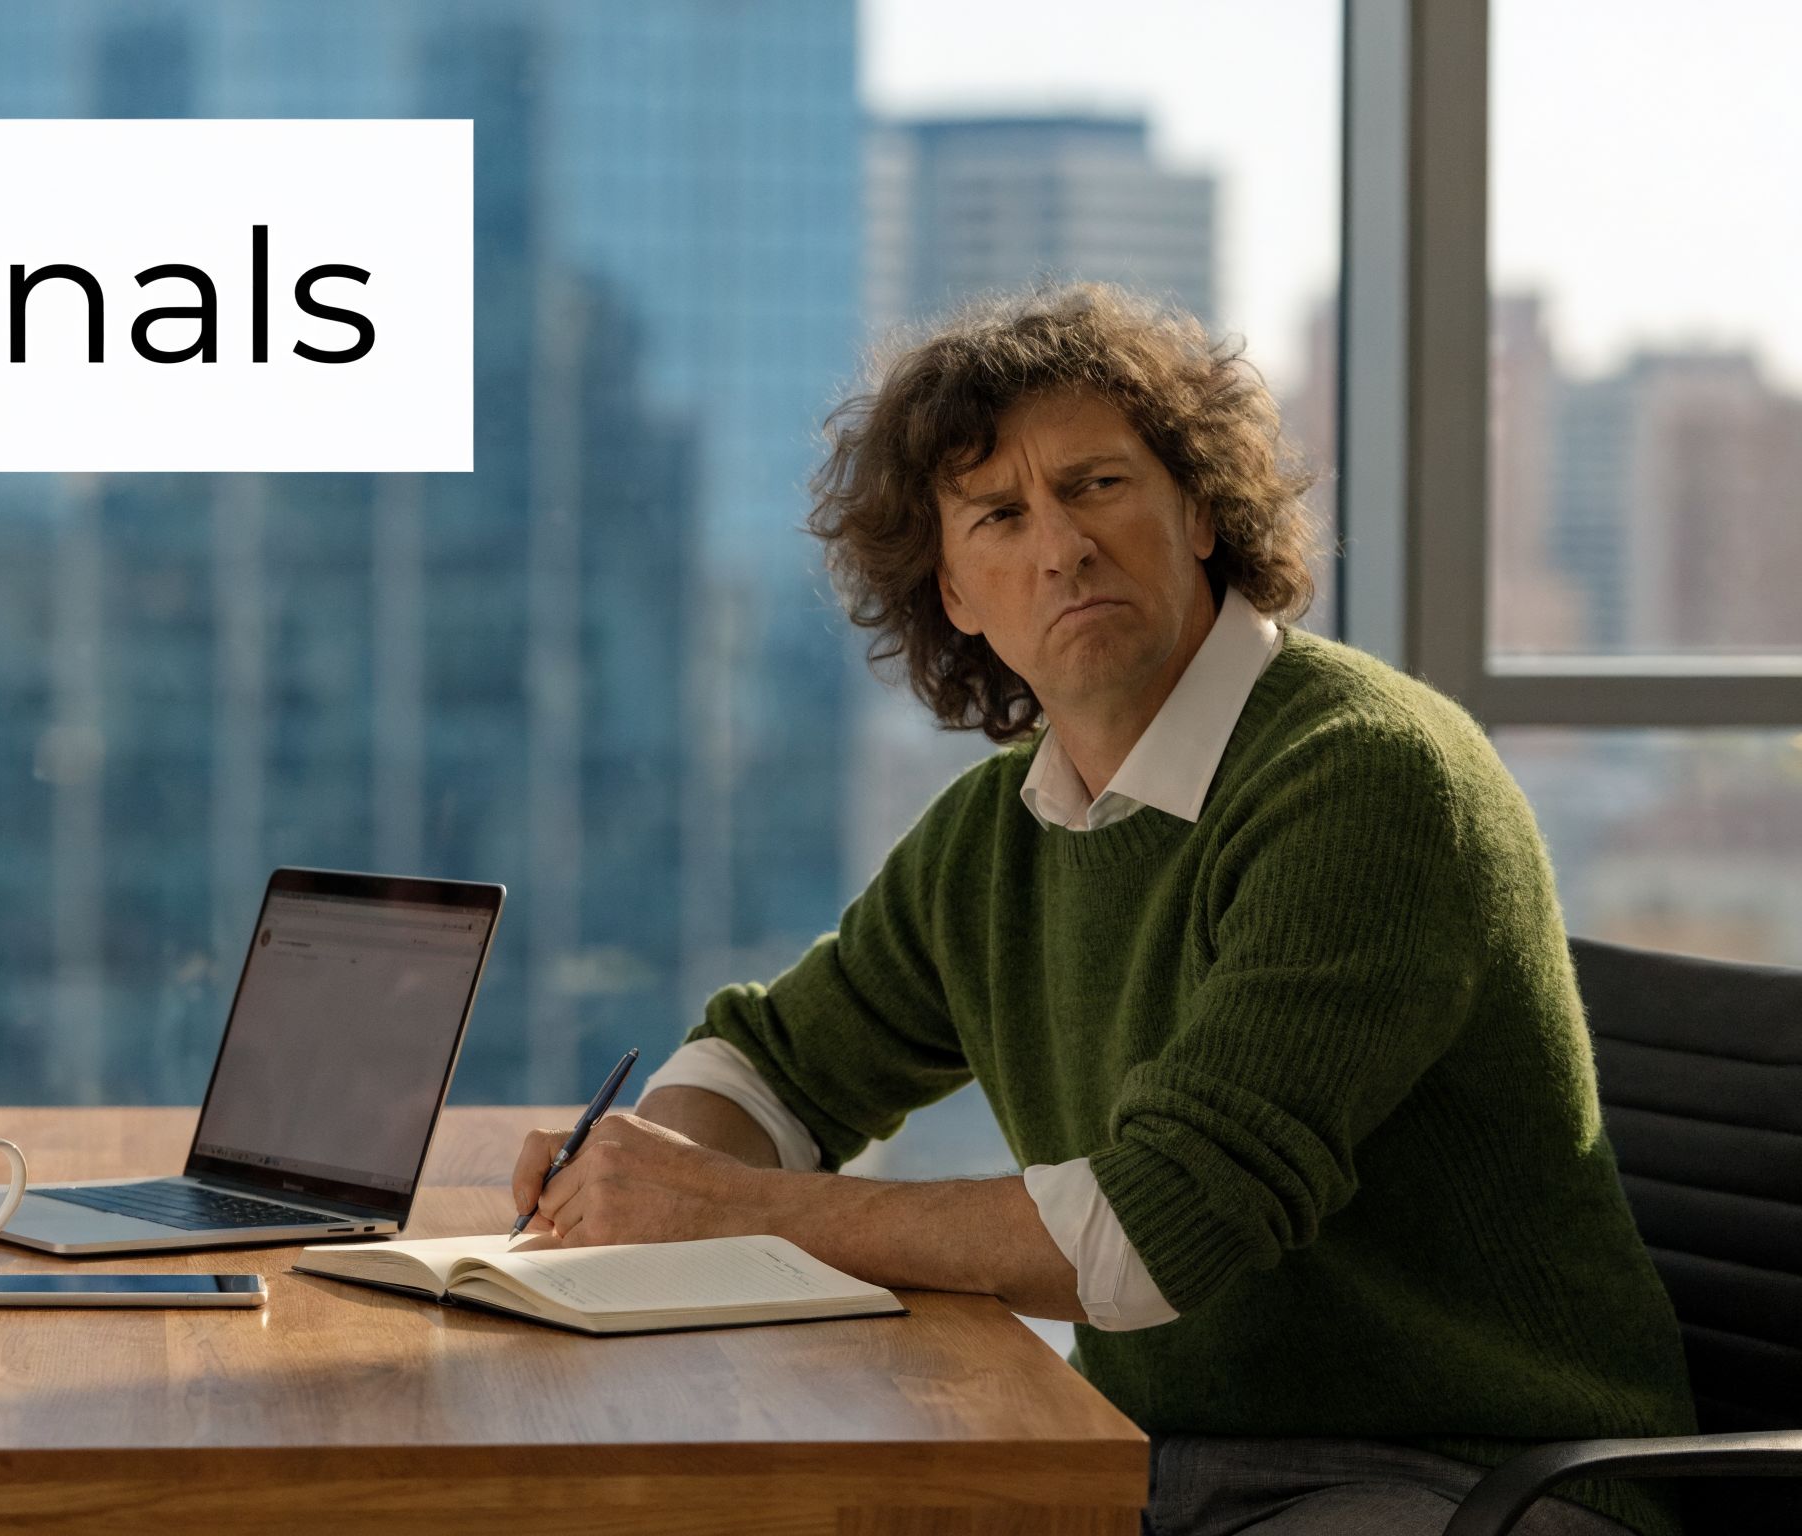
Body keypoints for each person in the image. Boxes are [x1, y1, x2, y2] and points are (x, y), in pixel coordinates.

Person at [508, 287, 1694, 1536]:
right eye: (1000, 516)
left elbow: (1157, 1233)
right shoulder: (998, 834)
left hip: (1469, 1484)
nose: (1061, 547)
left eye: (1098, 486)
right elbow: (771, 1068)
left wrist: (730, 1211)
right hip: (1150, 1466)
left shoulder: (1366, 777)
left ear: (1200, 512)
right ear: (955, 593)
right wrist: (645, 1178)